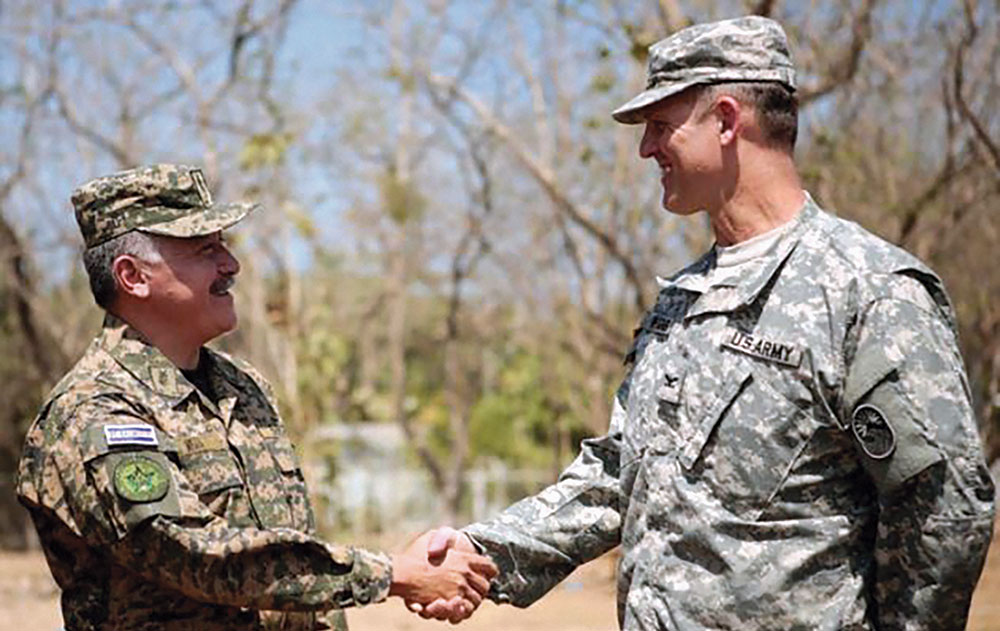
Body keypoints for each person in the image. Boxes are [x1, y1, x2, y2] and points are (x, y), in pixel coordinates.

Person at [417, 16, 996, 630]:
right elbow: (619, 475)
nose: (646, 149)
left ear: (725, 120)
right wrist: (482, 553)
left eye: (661, 126)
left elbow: (944, 508)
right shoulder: (680, 301)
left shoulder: (869, 291)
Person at [16, 164, 496, 631]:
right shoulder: (93, 410)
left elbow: (287, 548)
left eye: (223, 245)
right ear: (133, 276)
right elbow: (195, 554)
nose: (231, 264)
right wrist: (394, 574)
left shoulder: (242, 385)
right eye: (204, 249)